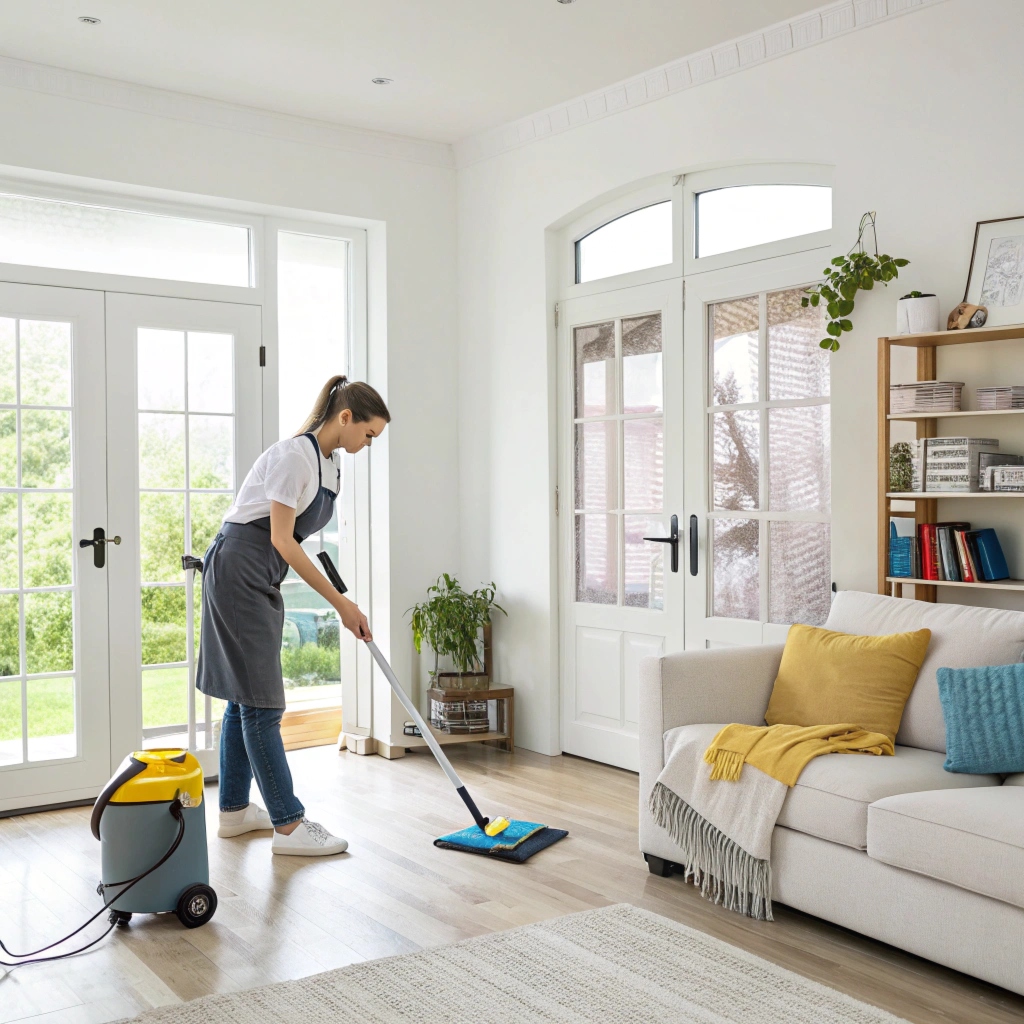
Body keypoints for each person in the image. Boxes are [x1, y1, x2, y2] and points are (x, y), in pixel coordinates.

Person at [196, 375, 389, 856]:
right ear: (345, 418)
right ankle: (288, 825)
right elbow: (282, 538)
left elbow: (291, 545)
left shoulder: (330, 467)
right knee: (264, 705)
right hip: (240, 567)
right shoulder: (292, 457)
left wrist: (344, 599)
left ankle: (236, 813)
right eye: (368, 434)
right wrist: (341, 605)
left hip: (261, 572)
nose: (368, 445)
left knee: (245, 699)